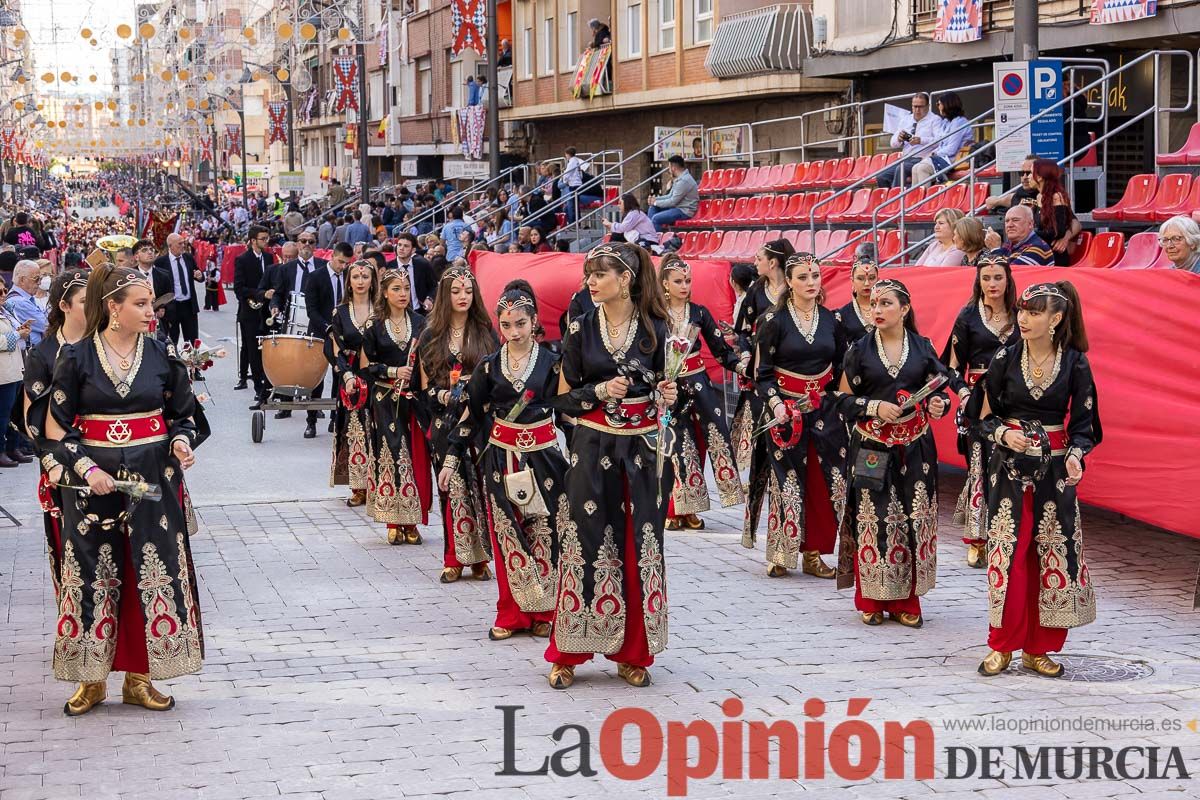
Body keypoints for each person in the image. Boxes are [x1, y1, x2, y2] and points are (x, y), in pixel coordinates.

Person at [38, 264, 207, 716]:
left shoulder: (160, 353)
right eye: (141, 303)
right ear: (113, 307)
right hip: (93, 487)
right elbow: (55, 429)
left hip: (151, 482)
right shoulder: (76, 358)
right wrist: (87, 466)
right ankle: (91, 682)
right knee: (93, 573)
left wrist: (180, 441)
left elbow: (185, 415)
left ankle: (140, 679)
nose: (151, 311)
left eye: (151, 303)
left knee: (147, 571)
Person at [543, 242, 679, 690]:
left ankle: (632, 652)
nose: (590, 283)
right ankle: (570, 650)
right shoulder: (580, 328)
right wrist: (600, 393)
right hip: (592, 445)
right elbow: (561, 397)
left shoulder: (656, 328)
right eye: (588, 275)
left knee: (640, 543)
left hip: (643, 450)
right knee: (584, 540)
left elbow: (669, 387)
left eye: (598, 275)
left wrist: (668, 394)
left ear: (625, 278)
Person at [975, 282, 1100, 678]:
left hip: (1056, 472)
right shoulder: (1004, 359)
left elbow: (1085, 425)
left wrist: (1078, 455)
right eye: (1022, 311)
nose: (1024, 319)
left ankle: (1038, 648)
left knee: (1051, 554)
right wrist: (1002, 434)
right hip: (1009, 469)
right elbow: (976, 418)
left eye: (1034, 312)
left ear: (1056, 318)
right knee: (1009, 553)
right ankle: (1002, 645)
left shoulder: (1075, 363)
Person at [442, 281, 566, 640]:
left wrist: (579, 455)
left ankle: (544, 611)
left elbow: (568, 412)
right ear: (499, 325)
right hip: (500, 459)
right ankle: (512, 614)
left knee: (545, 532)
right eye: (507, 326)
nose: (514, 332)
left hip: (544, 459)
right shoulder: (489, 366)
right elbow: (472, 415)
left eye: (521, 324)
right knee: (508, 534)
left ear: (534, 322)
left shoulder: (553, 363)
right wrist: (451, 459)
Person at [835, 278, 950, 628]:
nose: (878, 310)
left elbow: (939, 386)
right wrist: (873, 407)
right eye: (873, 303)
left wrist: (937, 403)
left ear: (905, 308)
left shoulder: (923, 346)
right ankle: (871, 598)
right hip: (872, 446)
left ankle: (906, 601)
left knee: (912, 520)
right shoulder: (860, 350)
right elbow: (841, 400)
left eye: (886, 303)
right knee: (876, 518)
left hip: (915, 447)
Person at [744, 252, 846, 579]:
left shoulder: (832, 321)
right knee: (786, 482)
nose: (811, 282)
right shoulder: (773, 322)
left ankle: (813, 554)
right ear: (789, 281)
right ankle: (780, 552)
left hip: (823, 413)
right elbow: (763, 373)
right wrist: (776, 404)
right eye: (803, 277)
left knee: (819, 482)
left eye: (815, 275)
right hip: (785, 411)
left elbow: (842, 368)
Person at [419, 264, 498, 583]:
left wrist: (474, 387)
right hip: (444, 420)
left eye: (467, 291)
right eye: (455, 291)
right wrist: (447, 395)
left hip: (479, 421)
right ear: (444, 295)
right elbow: (424, 390)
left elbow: (497, 377)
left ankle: (480, 558)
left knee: (481, 486)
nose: (462, 296)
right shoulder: (430, 335)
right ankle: (453, 557)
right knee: (451, 487)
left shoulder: (485, 331)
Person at [941, 252, 1019, 569]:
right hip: (977, 401)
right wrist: (963, 393)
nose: (991, 284)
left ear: (1008, 279)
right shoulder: (968, 317)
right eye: (985, 278)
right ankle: (977, 539)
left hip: (1014, 401)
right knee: (980, 467)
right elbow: (950, 367)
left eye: (997, 277)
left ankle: (1007, 534)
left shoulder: (1021, 313)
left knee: (1010, 468)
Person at [658, 255, 744, 531]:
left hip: (698, 385)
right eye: (678, 281)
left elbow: (720, 350)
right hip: (669, 388)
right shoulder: (654, 313)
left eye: (688, 281)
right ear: (665, 284)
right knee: (675, 446)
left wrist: (740, 364)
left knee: (703, 442)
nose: (684, 286)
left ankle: (692, 507)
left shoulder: (699, 313)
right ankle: (674, 508)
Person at [21, 269, 88, 621]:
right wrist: (56, 461)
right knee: (70, 548)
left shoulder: (106, 344)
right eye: (85, 300)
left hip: (109, 460)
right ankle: (76, 620)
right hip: (62, 462)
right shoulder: (44, 354)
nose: (95, 306)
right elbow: (34, 421)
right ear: (63, 305)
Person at [361, 268, 431, 545]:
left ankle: (411, 521)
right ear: (385, 293)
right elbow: (365, 367)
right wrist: (392, 371)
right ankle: (392, 520)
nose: (403, 294)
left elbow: (428, 362)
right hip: (384, 401)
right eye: (396, 289)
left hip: (413, 400)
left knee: (413, 459)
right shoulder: (374, 325)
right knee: (390, 456)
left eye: (406, 288)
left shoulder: (421, 322)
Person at [731, 238, 792, 473]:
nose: (754, 263)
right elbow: (742, 331)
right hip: (761, 368)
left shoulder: (794, 287)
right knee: (761, 428)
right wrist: (746, 356)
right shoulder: (756, 290)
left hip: (789, 367)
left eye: (759, 258)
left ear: (773, 262)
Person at [328, 259, 377, 504]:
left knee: (376, 429)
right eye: (356, 277)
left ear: (372, 281)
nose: (360, 281)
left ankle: (377, 482)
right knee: (353, 429)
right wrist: (346, 375)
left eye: (365, 277)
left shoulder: (382, 310)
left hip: (377, 375)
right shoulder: (340, 312)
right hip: (350, 376)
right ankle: (358, 487)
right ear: (348, 281)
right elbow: (335, 348)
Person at [232, 226, 275, 405]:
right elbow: (239, 288)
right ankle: (258, 387)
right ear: (253, 240)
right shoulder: (242, 260)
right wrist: (259, 295)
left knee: (269, 350)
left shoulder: (269, 257)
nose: (266, 241)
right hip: (249, 312)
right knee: (253, 350)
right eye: (263, 238)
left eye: (267, 238)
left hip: (267, 312)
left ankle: (269, 384)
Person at [877, 93, 940, 190]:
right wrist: (899, 138)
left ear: (928, 106)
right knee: (881, 176)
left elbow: (940, 140)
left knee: (900, 169)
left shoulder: (935, 120)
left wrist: (921, 140)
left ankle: (898, 201)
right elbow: (892, 144)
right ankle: (890, 200)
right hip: (905, 158)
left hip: (922, 159)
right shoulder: (906, 119)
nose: (917, 110)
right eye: (915, 106)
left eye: (920, 106)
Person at [911, 92, 973, 185]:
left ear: (947, 104)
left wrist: (934, 153)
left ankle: (926, 198)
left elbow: (951, 149)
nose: (938, 106)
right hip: (943, 157)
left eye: (939, 104)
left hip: (954, 159)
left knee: (922, 168)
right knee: (915, 168)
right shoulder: (946, 122)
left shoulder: (959, 122)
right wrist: (931, 154)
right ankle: (916, 198)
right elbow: (941, 143)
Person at [154, 234, 204, 346]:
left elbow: (199, 275)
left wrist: (200, 276)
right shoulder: (161, 262)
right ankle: (173, 362)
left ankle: (191, 363)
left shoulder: (188, 258)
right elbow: (158, 286)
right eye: (179, 244)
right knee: (172, 342)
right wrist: (160, 306)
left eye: (183, 243)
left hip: (189, 306)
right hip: (171, 307)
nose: (183, 246)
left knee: (192, 341)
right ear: (170, 246)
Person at [1028, 159, 1080, 266]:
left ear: (1039, 177)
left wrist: (1028, 233)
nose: (1027, 177)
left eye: (1030, 173)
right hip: (1041, 251)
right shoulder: (1038, 197)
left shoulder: (1057, 197)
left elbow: (1058, 231)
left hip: (1055, 255)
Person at [0, 278, 30, 467]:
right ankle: (2, 451)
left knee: (13, 412)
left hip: (15, 369)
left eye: (4, 290)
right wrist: (19, 335)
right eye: (0, 292)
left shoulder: (5, 310)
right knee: (3, 415)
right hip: (3, 373)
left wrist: (20, 330)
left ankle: (13, 447)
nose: (4, 295)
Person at [984, 205, 1054, 266]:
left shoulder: (1038, 248)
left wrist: (995, 249)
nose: (1009, 225)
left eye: (1015, 220)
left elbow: (1008, 275)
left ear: (1030, 224)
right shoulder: (1009, 244)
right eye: (1007, 221)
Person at [833, 258, 879, 345]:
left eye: (872, 278)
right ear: (852, 281)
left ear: (878, 280)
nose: (866, 283)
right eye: (860, 278)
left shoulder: (889, 310)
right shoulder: (841, 315)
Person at [646, 155, 699, 231]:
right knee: (653, 208)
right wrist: (655, 199)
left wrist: (655, 202)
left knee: (656, 218)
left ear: (673, 168)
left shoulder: (684, 181)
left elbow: (673, 201)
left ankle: (655, 240)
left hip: (684, 211)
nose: (669, 170)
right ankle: (650, 234)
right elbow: (670, 196)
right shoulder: (679, 179)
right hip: (677, 207)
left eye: (669, 167)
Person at [8, 259, 48, 346]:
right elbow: (47, 325)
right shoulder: (20, 302)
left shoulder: (25, 298)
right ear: (22, 280)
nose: (40, 283)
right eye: (36, 279)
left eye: (40, 278)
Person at [392, 233, 436, 311]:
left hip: (420, 312)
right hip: (396, 312)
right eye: (399, 245)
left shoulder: (423, 265)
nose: (401, 248)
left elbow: (434, 286)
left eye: (406, 246)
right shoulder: (389, 267)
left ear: (413, 250)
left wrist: (429, 298)